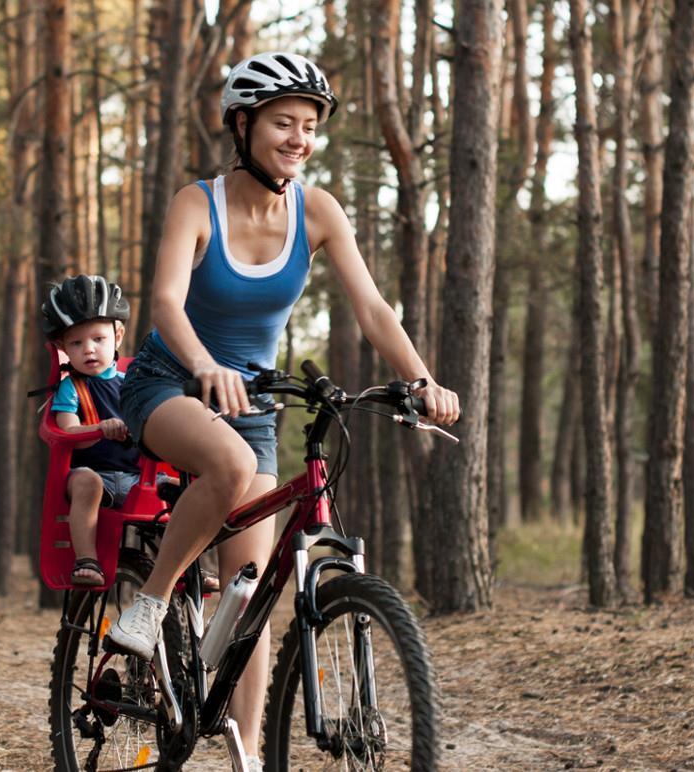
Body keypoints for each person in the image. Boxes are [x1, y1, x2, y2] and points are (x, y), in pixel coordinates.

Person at [109, 52, 460, 767]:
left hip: (254, 402)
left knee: (249, 599)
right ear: (243, 125)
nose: (299, 138)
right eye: (283, 122)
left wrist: (421, 378)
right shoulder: (196, 202)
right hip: (170, 383)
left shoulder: (318, 210)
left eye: (309, 126)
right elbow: (167, 302)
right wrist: (205, 363)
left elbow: (371, 307)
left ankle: (245, 761)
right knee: (230, 465)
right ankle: (149, 601)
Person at [41, 275, 140, 587]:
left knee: (180, 488)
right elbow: (69, 432)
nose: (89, 350)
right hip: (91, 472)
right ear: (62, 348)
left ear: (118, 336)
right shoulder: (72, 387)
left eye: (98, 339)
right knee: (88, 482)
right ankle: (87, 559)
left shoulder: (132, 384)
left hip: (137, 476)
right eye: (76, 343)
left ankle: (186, 563)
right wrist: (99, 428)